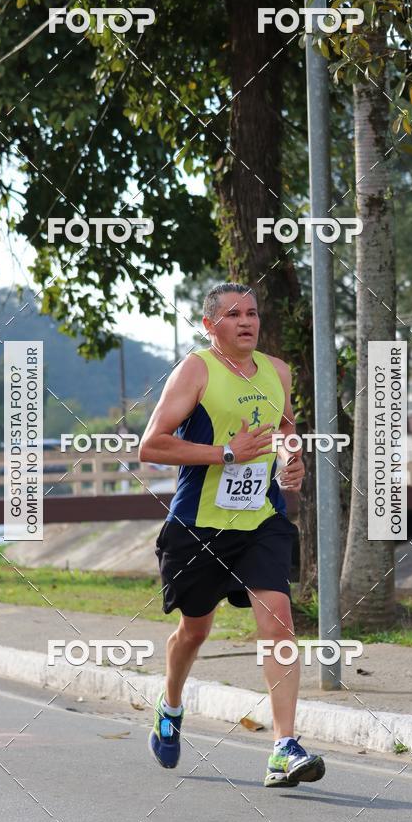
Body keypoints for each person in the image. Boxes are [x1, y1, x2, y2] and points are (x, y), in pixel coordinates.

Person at [138, 282, 325, 787]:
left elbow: (285, 432)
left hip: (259, 520)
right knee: (195, 631)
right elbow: (150, 446)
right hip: (198, 525)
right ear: (210, 325)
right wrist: (226, 453)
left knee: (280, 619)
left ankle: (283, 746)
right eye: (234, 314)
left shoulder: (276, 371)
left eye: (253, 312)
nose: (247, 321)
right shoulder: (196, 370)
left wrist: (291, 463)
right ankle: (171, 704)